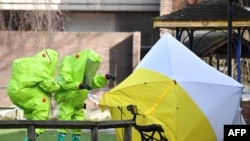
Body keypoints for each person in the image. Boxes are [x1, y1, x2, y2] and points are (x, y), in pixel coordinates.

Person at [54, 49, 115, 141]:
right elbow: (65, 82)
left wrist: (105, 77)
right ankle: (60, 139)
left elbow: (93, 81)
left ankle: (76, 139)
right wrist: (79, 85)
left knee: (78, 122)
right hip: (67, 100)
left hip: (79, 102)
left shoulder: (85, 74)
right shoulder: (68, 66)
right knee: (65, 120)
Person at [6, 49, 60, 141]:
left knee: (30, 111)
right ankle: (32, 135)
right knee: (42, 102)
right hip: (26, 92)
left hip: (13, 91)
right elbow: (49, 86)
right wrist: (58, 86)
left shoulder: (28, 63)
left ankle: (30, 131)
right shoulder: (41, 68)